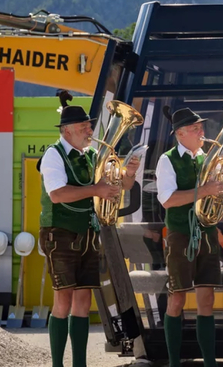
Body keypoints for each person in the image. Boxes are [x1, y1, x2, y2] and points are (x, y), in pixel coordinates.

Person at [38, 90, 141, 367]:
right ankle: (58, 364)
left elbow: (123, 186)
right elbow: (57, 194)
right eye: (84, 127)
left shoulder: (93, 153)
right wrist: (96, 188)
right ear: (67, 130)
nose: (90, 130)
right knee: (63, 300)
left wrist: (129, 171)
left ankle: (79, 364)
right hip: (59, 232)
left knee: (83, 300)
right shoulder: (53, 154)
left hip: (87, 233)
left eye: (89, 126)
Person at [156, 106, 223, 367]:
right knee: (178, 298)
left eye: (200, 127)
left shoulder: (210, 158)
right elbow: (168, 200)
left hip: (206, 234)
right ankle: (173, 361)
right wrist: (204, 190)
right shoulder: (167, 160)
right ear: (180, 133)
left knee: (207, 299)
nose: (201, 132)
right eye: (195, 129)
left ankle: (209, 362)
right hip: (181, 235)